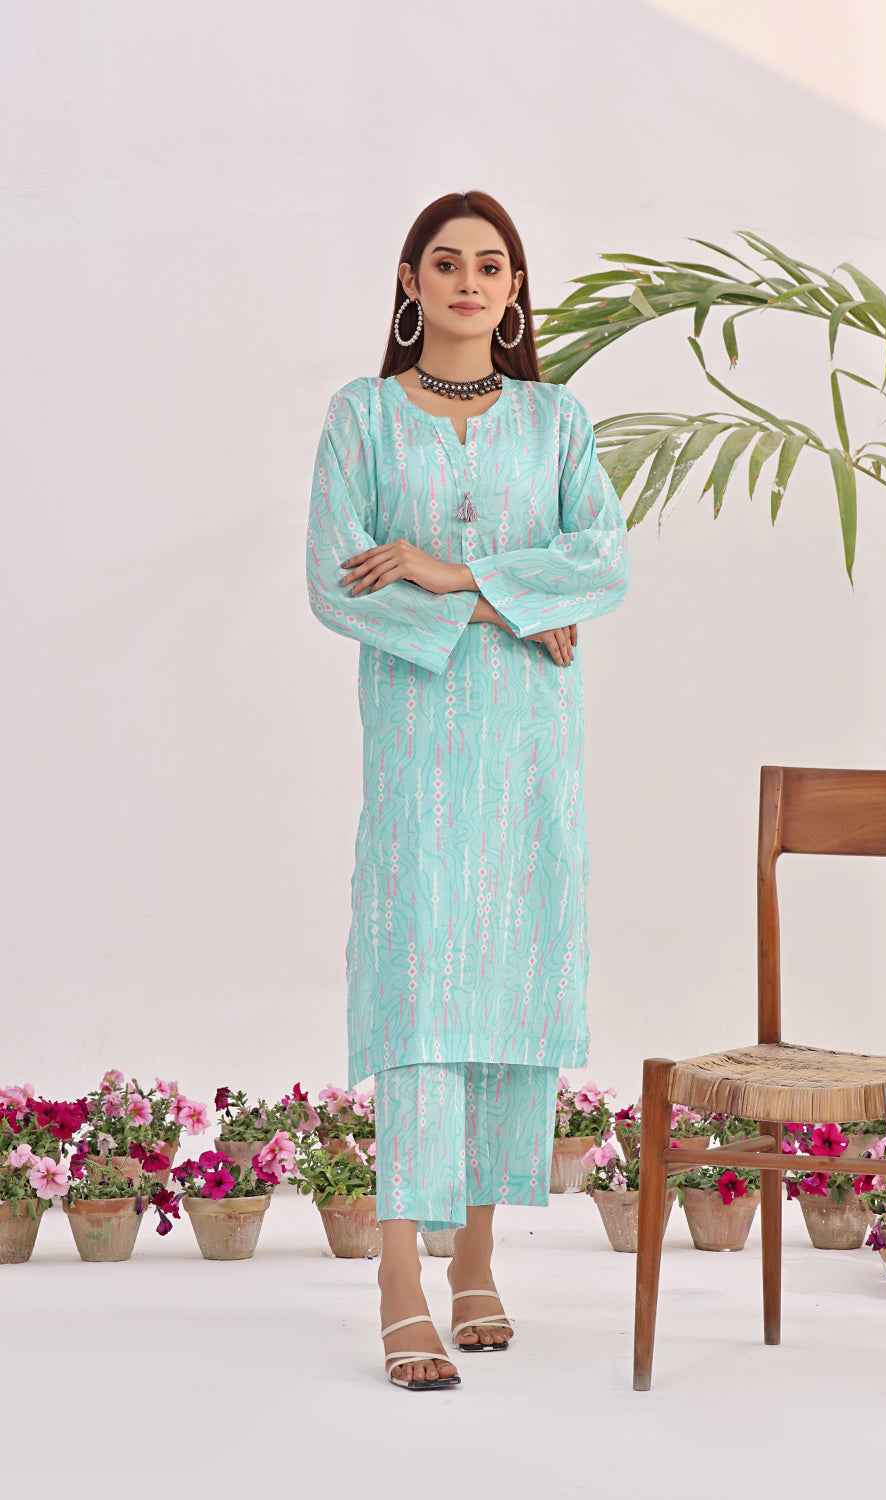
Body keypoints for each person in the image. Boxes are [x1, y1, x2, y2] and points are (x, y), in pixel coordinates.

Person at [305, 189, 630, 1391]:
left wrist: (457, 577)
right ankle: (401, 1274)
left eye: (491, 265)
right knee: (418, 986)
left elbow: (604, 558)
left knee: (505, 982)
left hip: (530, 753)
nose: (469, 282)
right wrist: (513, 608)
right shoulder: (363, 416)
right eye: (445, 263)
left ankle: (479, 1259)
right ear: (410, 282)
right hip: (418, 743)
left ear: (515, 289)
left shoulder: (555, 419)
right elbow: (335, 579)